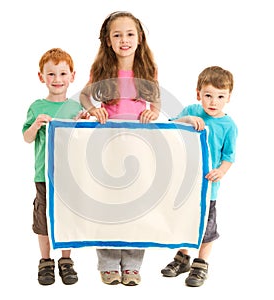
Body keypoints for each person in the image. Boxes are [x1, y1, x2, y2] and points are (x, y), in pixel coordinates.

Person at [79, 11, 160, 286]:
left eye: (129, 34)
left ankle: (133, 264)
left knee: (137, 203)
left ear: (139, 39)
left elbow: (156, 101)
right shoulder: (102, 69)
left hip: (139, 144)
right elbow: (83, 95)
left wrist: (153, 113)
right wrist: (92, 110)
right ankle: (109, 262)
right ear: (108, 41)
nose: (123, 39)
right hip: (108, 143)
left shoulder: (147, 69)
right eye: (117, 35)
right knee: (109, 203)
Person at [161, 66, 238, 287]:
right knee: (185, 222)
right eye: (208, 96)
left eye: (220, 97)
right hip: (186, 183)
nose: (213, 102)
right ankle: (182, 257)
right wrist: (186, 119)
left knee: (207, 227)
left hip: (208, 187)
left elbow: (229, 156)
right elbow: (169, 128)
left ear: (228, 98)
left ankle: (201, 262)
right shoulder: (192, 110)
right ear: (198, 94)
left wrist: (221, 171)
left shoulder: (228, 125)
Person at [22, 48, 85, 285]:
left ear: (72, 76)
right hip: (43, 175)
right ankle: (46, 260)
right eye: (51, 74)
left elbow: (80, 141)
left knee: (66, 216)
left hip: (68, 175)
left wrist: (81, 123)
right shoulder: (37, 107)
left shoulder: (75, 108)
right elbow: (27, 138)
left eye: (62, 73)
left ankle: (66, 260)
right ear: (42, 77)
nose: (57, 79)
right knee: (43, 218)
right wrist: (37, 124)